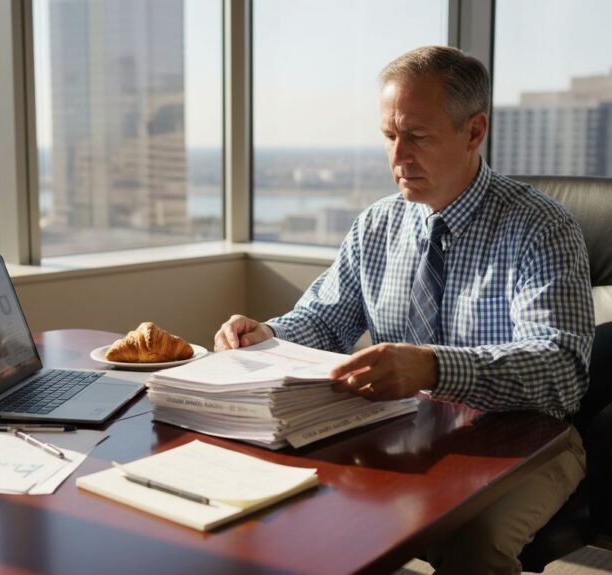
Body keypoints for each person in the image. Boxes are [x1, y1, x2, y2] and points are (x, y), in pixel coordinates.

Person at [213, 46, 593, 574]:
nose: (397, 157)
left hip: (527, 440)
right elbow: (325, 319)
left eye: (416, 136)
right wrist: (267, 334)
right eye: (389, 136)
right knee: (294, 510)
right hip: (401, 427)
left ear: (474, 131)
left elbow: (559, 371)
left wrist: (433, 367)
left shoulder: (540, 227)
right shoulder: (377, 225)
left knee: (474, 541)